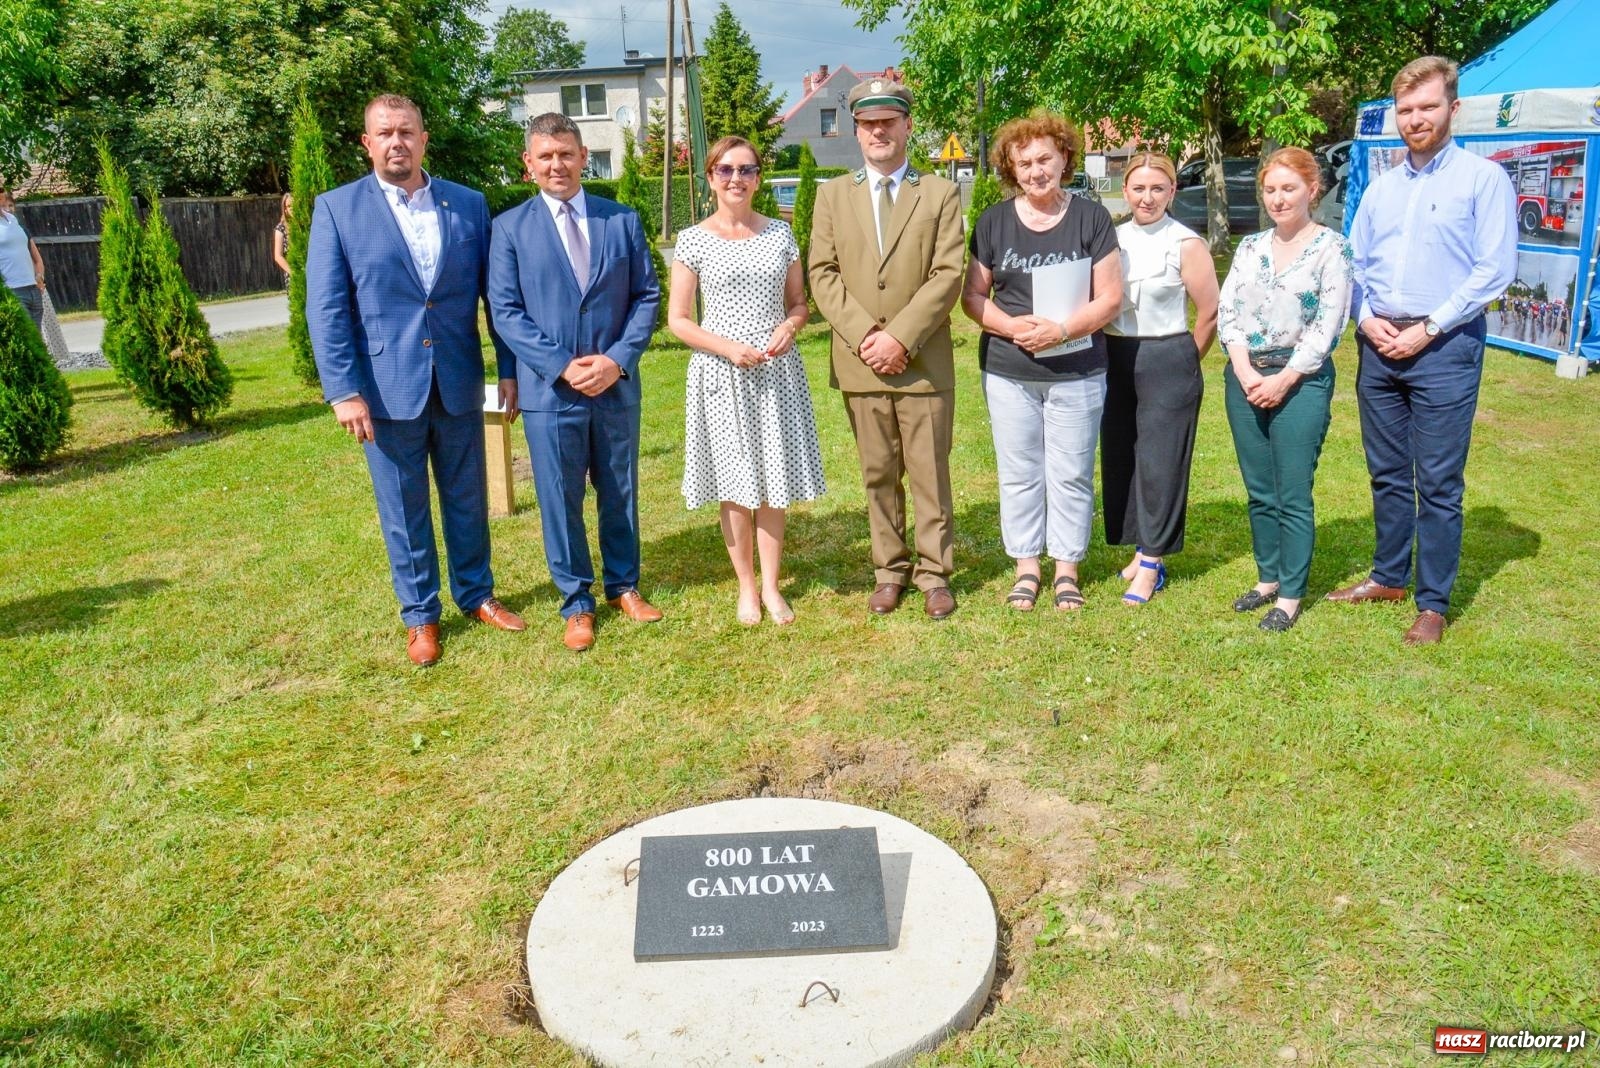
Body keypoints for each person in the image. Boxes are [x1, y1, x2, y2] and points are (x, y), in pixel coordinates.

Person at [306, 93, 525, 667]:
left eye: (407, 131)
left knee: (467, 498)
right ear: (367, 143)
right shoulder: (336, 209)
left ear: (424, 139)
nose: (396, 142)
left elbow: (495, 299)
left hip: (456, 379)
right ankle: (421, 617)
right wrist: (343, 390)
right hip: (383, 391)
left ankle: (477, 595)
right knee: (403, 507)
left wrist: (507, 369)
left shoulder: (467, 205)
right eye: (385, 133)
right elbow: (326, 307)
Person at [1330, 55, 1517, 645]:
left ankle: (1432, 602)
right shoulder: (1381, 188)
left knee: (1437, 479)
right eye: (1405, 110)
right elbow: (1353, 264)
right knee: (1386, 471)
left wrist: (1429, 327)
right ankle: (1388, 575)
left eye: (1427, 107)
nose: (1415, 119)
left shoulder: (1483, 180)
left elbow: (1495, 270)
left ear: (1452, 108)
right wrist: (1364, 318)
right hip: (1380, 344)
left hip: (1445, 346)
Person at [489, 112, 662, 653]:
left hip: (614, 385)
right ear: (529, 165)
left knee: (620, 490)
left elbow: (646, 297)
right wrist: (562, 364)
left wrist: (616, 360)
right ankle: (576, 603)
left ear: (584, 157)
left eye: (566, 154)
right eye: (545, 156)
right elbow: (506, 311)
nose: (557, 165)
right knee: (559, 498)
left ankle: (624, 586)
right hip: (551, 392)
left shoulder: (622, 220)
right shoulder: (508, 229)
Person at [808, 79, 965, 619]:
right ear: (856, 130)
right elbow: (822, 273)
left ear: (907, 126)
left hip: (922, 362)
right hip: (860, 361)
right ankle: (888, 570)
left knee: (929, 472)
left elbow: (948, 274)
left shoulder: (940, 193)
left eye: (889, 121)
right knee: (877, 472)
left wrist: (899, 336)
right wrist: (868, 337)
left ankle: (934, 572)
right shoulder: (832, 195)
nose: (879, 131)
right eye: (868, 123)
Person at [961, 111, 1122, 611]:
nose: (1036, 170)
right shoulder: (993, 221)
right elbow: (972, 296)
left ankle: (1067, 569)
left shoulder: (1091, 218)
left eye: (1045, 159)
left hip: (1077, 368)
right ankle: (1027, 567)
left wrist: (1062, 330)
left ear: (1065, 158)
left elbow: (1111, 297)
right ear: (1011, 168)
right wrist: (1013, 329)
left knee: (1071, 470)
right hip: (1010, 371)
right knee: (1019, 471)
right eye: (1024, 162)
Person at [668, 136, 826, 626]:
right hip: (720, 372)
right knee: (736, 485)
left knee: (773, 480)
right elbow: (678, 319)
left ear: (759, 177)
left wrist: (790, 326)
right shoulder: (692, 240)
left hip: (776, 371)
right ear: (711, 177)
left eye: (747, 169)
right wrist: (726, 347)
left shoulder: (780, 234)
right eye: (726, 170)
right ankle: (746, 589)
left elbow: (800, 303)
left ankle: (774, 587)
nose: (736, 178)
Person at [1217, 147, 1353, 633]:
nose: (1278, 198)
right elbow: (1227, 311)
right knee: (1259, 490)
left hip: (1301, 381)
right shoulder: (1250, 248)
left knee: (1291, 491)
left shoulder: (1331, 249)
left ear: (1312, 190)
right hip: (1245, 378)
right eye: (1270, 189)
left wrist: (1284, 379)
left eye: (1288, 188)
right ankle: (1267, 578)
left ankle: (1291, 595)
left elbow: (1327, 326)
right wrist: (1245, 371)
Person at [1102, 152, 1219, 605]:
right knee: (1123, 458)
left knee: (1160, 462)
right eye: (1138, 188)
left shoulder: (1186, 243)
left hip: (1167, 355)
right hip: (1115, 355)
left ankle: (1152, 563)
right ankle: (1138, 547)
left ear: (1172, 192)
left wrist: (1187, 358)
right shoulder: (1111, 238)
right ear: (1125, 190)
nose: (1146, 198)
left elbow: (1208, 311)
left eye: (1157, 189)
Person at [0, 184, 48, 332]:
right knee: (25, 339)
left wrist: (39, 276)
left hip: (33, 288)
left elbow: (30, 254)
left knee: (37, 342)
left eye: (1, 190)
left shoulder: (12, 219)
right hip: (12, 290)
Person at [273, 193, 292, 285]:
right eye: (289, 206)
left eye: (294, 205)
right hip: (293, 277)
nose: (292, 208)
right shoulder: (280, 229)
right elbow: (278, 256)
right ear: (285, 209)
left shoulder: (306, 225)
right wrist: (293, 273)